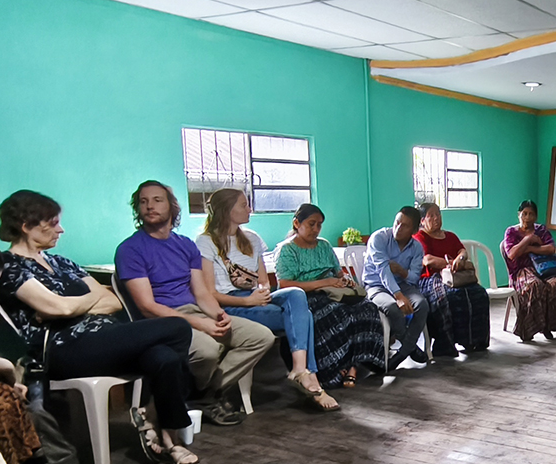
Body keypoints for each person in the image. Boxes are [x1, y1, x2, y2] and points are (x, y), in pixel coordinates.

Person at [0, 190, 202, 464]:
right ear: (26, 225)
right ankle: (160, 422)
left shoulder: (63, 263)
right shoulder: (11, 266)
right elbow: (61, 309)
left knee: (164, 358)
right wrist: (77, 304)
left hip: (104, 341)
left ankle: (166, 437)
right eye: (54, 223)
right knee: (177, 326)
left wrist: (69, 305)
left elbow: (111, 301)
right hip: (62, 349)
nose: (61, 229)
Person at [116, 180, 274, 429]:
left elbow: (201, 292)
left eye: (157, 200)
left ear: (171, 206)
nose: (149, 206)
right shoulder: (130, 249)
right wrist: (200, 324)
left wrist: (218, 315)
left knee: (260, 336)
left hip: (196, 311)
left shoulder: (185, 245)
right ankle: (197, 397)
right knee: (207, 350)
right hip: (162, 321)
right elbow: (147, 307)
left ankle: (201, 396)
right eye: (143, 202)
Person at [196, 189, 338, 411]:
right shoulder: (206, 242)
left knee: (296, 294)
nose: (249, 209)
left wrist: (261, 292)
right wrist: (249, 301)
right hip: (233, 304)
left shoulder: (252, 238)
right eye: (244, 205)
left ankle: (300, 369)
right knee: (305, 316)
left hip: (257, 299)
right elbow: (209, 293)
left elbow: (263, 280)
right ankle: (310, 378)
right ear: (227, 210)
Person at [273, 204, 388, 386]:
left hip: (333, 292)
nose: (316, 229)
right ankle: (334, 367)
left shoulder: (324, 245)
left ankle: (355, 365)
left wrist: (346, 281)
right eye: (311, 224)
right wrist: (324, 283)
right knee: (335, 313)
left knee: (367, 308)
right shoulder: (287, 250)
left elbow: (338, 273)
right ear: (297, 223)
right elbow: (285, 284)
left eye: (319, 225)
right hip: (305, 298)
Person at [413, 202, 490, 353]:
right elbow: (427, 259)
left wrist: (460, 259)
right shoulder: (420, 237)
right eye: (431, 216)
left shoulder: (450, 236)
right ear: (422, 221)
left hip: (456, 276)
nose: (436, 218)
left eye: (438, 214)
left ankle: (474, 340)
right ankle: (445, 343)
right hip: (431, 278)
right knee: (446, 297)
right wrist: (451, 263)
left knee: (479, 294)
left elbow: (462, 251)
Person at [363, 207, 429, 369]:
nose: (398, 228)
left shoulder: (416, 247)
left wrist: (400, 271)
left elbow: (414, 277)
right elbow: (383, 270)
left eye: (405, 226)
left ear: (414, 230)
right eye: (397, 222)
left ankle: (402, 353)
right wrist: (398, 295)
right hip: (376, 285)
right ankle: (411, 348)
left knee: (422, 304)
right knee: (392, 307)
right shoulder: (379, 238)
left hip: (403, 285)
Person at [502, 200, 556, 342]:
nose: (527, 218)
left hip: (544, 268)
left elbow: (550, 248)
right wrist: (528, 239)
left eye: (531, 214)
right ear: (519, 215)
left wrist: (529, 249)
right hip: (522, 271)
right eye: (524, 214)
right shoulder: (511, 232)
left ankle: (551, 326)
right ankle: (532, 328)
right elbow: (511, 253)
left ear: (536, 216)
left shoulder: (541, 230)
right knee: (535, 285)